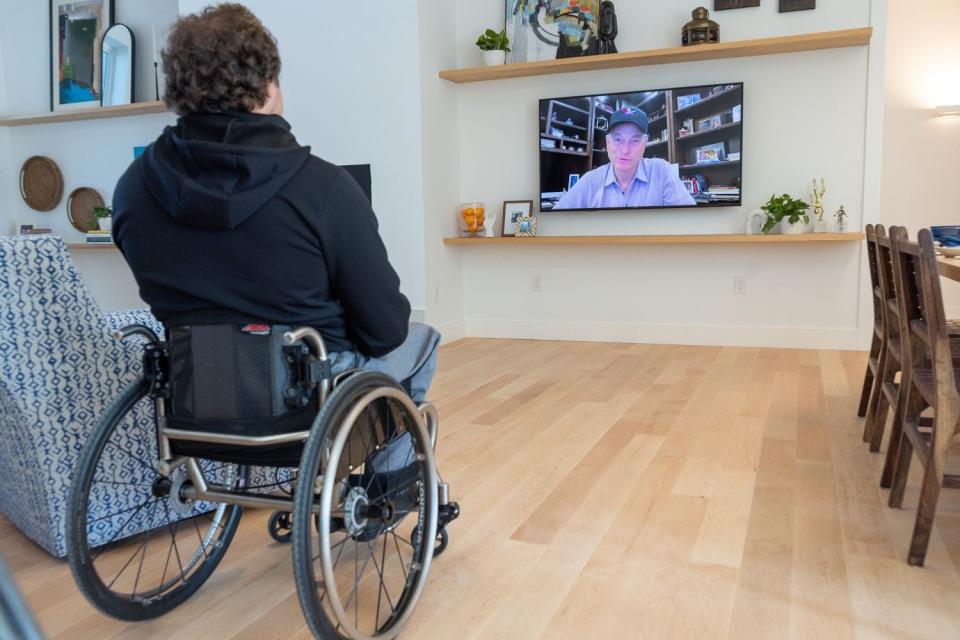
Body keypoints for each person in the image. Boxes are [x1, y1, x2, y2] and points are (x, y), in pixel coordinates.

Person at [112, 4, 439, 403]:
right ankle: (392, 469)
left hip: (199, 396)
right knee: (422, 340)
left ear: (178, 92)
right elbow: (385, 331)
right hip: (307, 396)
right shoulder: (325, 187)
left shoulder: (133, 187)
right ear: (268, 85)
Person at [553, 106, 696, 209]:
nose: (625, 149)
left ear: (644, 144)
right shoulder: (590, 181)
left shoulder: (661, 171)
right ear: (608, 142)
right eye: (618, 139)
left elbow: (689, 222)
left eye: (634, 140)